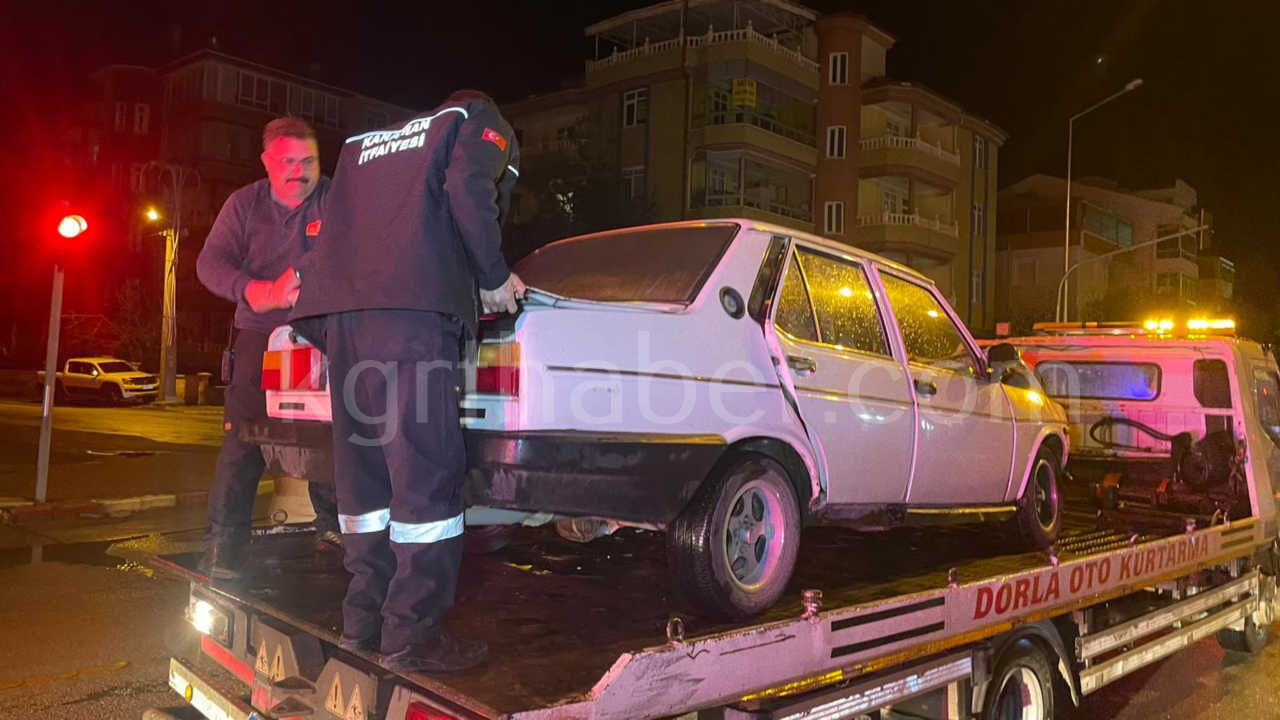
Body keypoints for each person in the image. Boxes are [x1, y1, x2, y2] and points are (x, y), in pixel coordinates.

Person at [290, 90, 523, 673]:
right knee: (424, 477)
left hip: (345, 318)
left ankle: (364, 621)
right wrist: (492, 276)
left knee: (365, 479)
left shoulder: (362, 145)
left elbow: (326, 226)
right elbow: (470, 191)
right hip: (412, 317)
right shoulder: (476, 119)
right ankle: (413, 636)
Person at [196, 117, 342, 580]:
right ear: (266, 162)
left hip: (325, 338)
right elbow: (209, 263)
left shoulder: (338, 198)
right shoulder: (243, 204)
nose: (299, 172)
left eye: (309, 161)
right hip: (262, 338)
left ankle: (337, 531)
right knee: (244, 440)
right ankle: (223, 547)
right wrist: (256, 290)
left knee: (333, 439)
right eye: (288, 162)